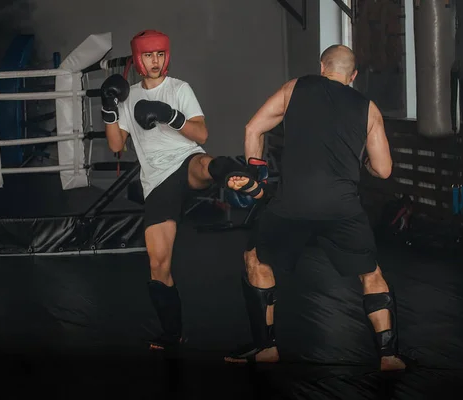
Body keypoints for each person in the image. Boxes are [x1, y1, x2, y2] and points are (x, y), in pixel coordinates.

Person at [224, 44, 407, 371]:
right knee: (371, 274)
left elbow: (253, 128)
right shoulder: (369, 108)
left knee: (256, 260)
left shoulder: (296, 87)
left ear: (322, 67)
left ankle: (266, 348)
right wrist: (360, 160)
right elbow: (384, 169)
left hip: (293, 203)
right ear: (353, 76)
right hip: (343, 207)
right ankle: (389, 355)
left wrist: (258, 173)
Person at [100, 29, 264, 351]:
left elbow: (201, 133)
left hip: (185, 160)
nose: (155, 61)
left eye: (160, 54)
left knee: (204, 163)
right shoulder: (127, 96)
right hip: (156, 181)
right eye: (148, 55)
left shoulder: (179, 89)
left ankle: (241, 177)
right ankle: (172, 334)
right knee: (158, 265)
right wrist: (108, 107)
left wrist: (168, 115)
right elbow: (116, 144)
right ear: (138, 59)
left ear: (167, 56)